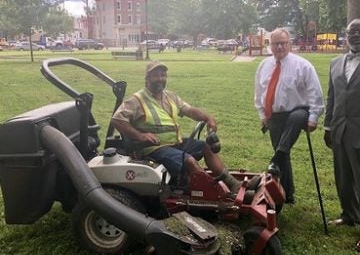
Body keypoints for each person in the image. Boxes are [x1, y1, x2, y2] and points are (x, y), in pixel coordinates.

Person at [111, 60, 242, 195]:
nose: (160, 79)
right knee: (189, 161)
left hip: (175, 143)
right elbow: (117, 120)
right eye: (156, 75)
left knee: (206, 146)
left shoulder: (170, 96)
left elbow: (190, 110)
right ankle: (214, 194)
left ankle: (233, 184)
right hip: (153, 149)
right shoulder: (136, 100)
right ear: (147, 78)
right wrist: (141, 136)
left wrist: (208, 118)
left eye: (163, 75)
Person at [254, 28, 324, 204]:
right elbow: (259, 92)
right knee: (282, 154)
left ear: (289, 44)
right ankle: (288, 193)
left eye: (283, 43)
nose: (279, 47)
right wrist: (262, 114)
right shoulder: (264, 65)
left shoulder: (303, 65)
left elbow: (315, 93)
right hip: (274, 116)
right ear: (270, 45)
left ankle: (276, 159)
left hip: (298, 112)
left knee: (295, 118)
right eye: (275, 43)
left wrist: (313, 117)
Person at [324, 19, 360, 240]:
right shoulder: (335, 62)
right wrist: (328, 126)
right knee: (343, 176)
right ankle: (349, 215)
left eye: (359, 32)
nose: (355, 35)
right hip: (339, 129)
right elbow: (332, 97)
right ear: (345, 35)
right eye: (351, 32)